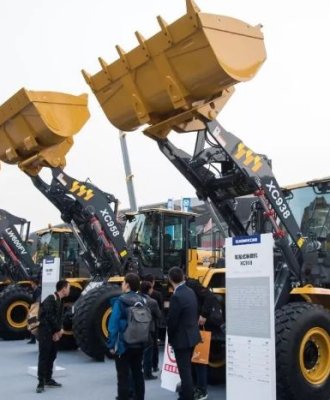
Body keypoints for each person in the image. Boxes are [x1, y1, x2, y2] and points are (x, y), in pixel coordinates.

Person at [108, 273, 145, 400]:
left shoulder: (120, 301)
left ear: (127, 285)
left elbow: (113, 325)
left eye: (123, 282)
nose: (122, 284)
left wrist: (112, 344)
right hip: (140, 342)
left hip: (123, 343)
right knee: (138, 373)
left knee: (123, 376)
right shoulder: (142, 300)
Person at [186, 278, 225, 400]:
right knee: (192, 360)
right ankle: (192, 385)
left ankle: (201, 389)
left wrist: (203, 314)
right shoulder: (184, 287)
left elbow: (210, 297)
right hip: (191, 328)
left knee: (198, 360)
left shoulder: (192, 285)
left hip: (200, 329)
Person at [167, 267, 201, 400]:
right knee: (188, 369)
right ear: (183, 277)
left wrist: (170, 338)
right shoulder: (190, 291)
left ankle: (187, 397)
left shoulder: (177, 296)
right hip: (192, 336)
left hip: (181, 339)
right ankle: (186, 393)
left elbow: (172, 321)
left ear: (170, 279)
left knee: (184, 372)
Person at [36, 279, 70, 393]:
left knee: (52, 356)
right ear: (64, 288)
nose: (69, 290)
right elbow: (48, 316)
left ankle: (48, 378)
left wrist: (58, 332)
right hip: (45, 333)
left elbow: (59, 318)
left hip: (53, 332)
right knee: (44, 357)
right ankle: (40, 382)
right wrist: (58, 330)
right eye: (68, 287)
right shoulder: (51, 298)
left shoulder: (61, 301)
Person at [143, 273, 164, 372]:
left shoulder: (138, 296)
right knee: (154, 345)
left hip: (141, 324)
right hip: (154, 324)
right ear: (153, 282)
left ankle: (144, 365)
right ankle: (154, 365)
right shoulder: (157, 295)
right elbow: (160, 311)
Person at [140, 280, 161, 380]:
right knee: (148, 351)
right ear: (149, 290)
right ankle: (147, 373)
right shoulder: (152, 302)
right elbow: (158, 315)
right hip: (149, 329)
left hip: (136, 329)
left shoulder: (135, 299)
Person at [27, 278, 42, 344]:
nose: (31, 285)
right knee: (32, 323)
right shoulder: (36, 290)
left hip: (35, 309)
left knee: (33, 323)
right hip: (33, 308)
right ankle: (32, 338)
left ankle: (33, 339)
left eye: (32, 283)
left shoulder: (38, 291)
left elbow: (37, 300)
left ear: (34, 283)